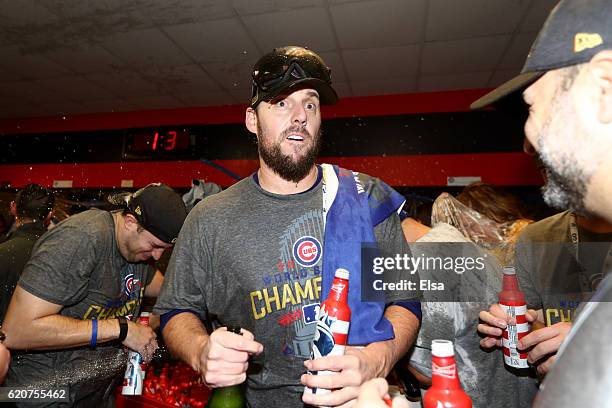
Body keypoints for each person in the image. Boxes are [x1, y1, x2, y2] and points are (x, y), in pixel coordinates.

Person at [154, 46, 421, 407]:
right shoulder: (209, 217)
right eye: (281, 103)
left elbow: (404, 298)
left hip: (360, 398)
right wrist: (201, 350)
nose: (299, 117)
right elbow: (176, 310)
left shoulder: (366, 197)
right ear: (252, 119)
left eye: (310, 104)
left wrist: (379, 358)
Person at [470, 0, 612, 405]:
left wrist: (588, 344)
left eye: (533, 106)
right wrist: (528, 327)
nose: (529, 142)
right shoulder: (538, 240)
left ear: (604, 89)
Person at [2, 183, 187, 406]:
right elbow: (17, 330)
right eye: (154, 245)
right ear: (130, 222)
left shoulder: (139, 253)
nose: (157, 257)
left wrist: (150, 324)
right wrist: (121, 329)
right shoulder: (80, 240)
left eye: (164, 250)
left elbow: (171, 292)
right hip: (44, 395)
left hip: (92, 394)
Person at [0, 184, 55, 323]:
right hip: (47, 338)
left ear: (13, 207)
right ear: (50, 214)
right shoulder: (61, 250)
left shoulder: (4, 250)